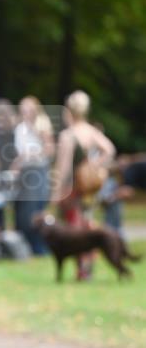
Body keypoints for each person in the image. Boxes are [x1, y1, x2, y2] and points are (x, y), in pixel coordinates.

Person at [49, 90, 115, 280]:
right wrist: (95, 165)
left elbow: (62, 170)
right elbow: (109, 149)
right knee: (88, 227)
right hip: (89, 190)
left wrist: (55, 194)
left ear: (68, 111)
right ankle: (87, 267)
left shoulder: (68, 136)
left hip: (72, 191)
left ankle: (82, 269)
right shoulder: (91, 131)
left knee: (73, 231)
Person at [11, 96, 55, 255]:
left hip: (37, 171)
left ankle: (40, 247)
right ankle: (27, 246)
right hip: (24, 172)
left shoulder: (42, 125)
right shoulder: (20, 128)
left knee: (35, 210)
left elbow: (49, 150)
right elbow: (20, 153)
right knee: (23, 211)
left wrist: (31, 155)